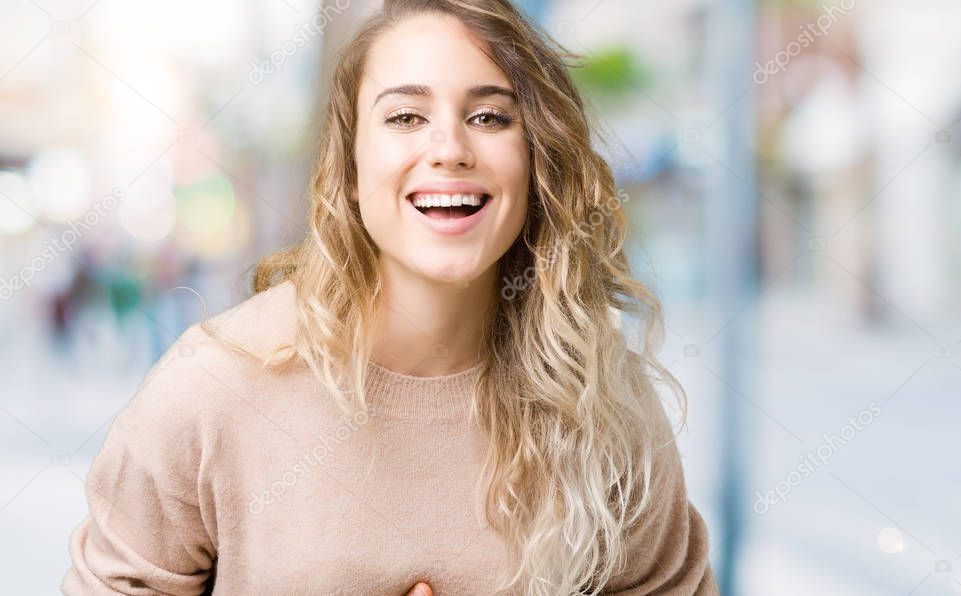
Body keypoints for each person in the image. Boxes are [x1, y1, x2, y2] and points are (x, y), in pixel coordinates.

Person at [62, 0, 719, 594]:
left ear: (535, 158)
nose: (449, 149)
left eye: (488, 116)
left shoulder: (603, 400)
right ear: (348, 167)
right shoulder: (213, 388)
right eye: (405, 116)